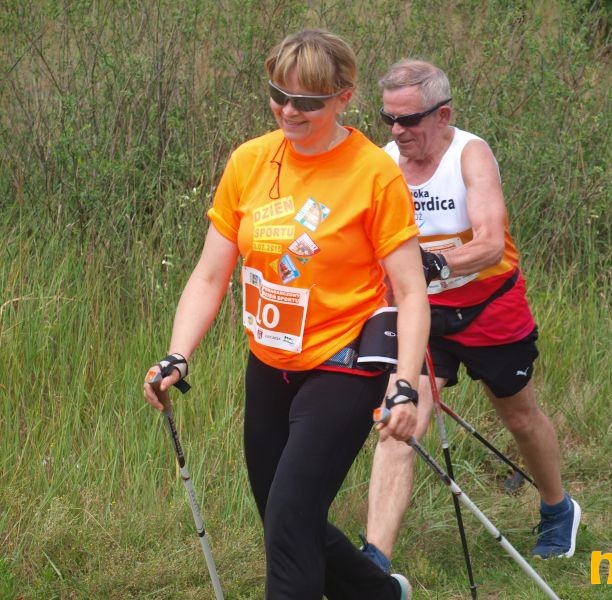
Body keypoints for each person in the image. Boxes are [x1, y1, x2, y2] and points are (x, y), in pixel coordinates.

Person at [143, 30, 428, 600]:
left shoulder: (374, 173)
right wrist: (177, 354)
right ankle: (379, 594)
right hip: (270, 363)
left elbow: (411, 289)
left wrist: (404, 384)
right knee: (281, 512)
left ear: (344, 97)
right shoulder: (250, 160)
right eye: (279, 95)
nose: (289, 111)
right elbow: (209, 274)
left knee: (291, 518)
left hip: (343, 364)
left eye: (307, 102)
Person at [362, 59, 580, 573]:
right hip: (423, 314)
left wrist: (434, 263)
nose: (397, 131)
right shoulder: (384, 162)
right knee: (400, 419)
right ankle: (374, 564)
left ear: (443, 115)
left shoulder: (470, 155)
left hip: (489, 306)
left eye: (408, 120)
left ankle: (557, 508)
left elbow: (488, 244)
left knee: (519, 416)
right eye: (388, 118)